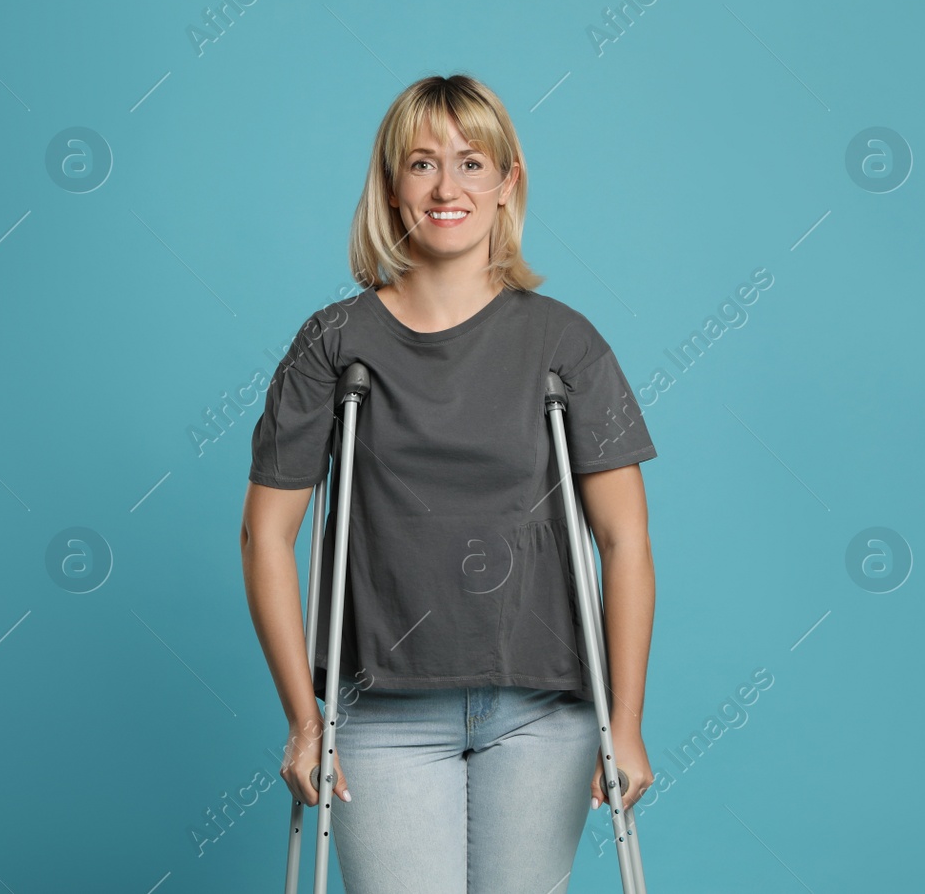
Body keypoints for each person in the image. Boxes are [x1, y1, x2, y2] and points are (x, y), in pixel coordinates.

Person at [239, 74, 659, 893]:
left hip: (543, 711)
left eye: (472, 163)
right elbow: (265, 536)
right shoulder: (333, 344)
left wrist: (629, 723)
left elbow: (624, 541)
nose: (446, 187)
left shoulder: (565, 343)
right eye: (422, 164)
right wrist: (302, 719)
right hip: (380, 713)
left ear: (508, 183)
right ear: (393, 188)